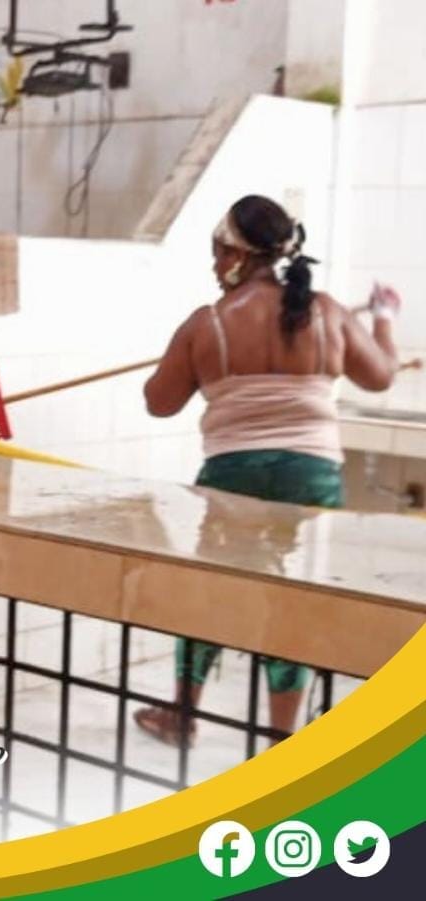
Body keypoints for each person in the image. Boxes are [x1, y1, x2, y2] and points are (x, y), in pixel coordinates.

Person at [135, 194, 402, 748]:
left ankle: (182, 716)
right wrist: (384, 319)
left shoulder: (208, 323)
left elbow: (158, 403)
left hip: (233, 479)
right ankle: (283, 738)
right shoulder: (327, 312)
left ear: (237, 255)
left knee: (211, 591)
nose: (214, 266)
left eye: (217, 253)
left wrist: (180, 357)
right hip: (311, 478)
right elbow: (380, 376)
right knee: (294, 599)